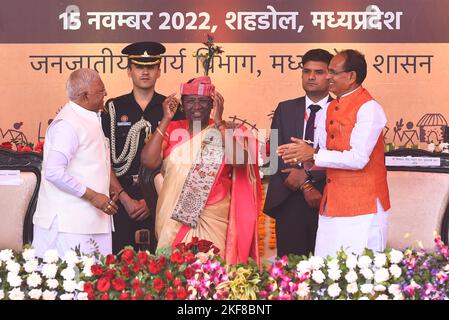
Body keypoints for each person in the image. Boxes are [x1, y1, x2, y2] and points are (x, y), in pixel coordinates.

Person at [278, 49, 390, 257]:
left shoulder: (369, 108)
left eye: (332, 72)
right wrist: (301, 153)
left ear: (351, 76)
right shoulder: (330, 108)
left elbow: (358, 159)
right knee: (326, 270)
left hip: (363, 206)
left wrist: (312, 154)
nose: (327, 77)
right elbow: (323, 152)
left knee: (359, 273)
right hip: (332, 203)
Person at [141, 76, 261, 264]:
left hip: (212, 214)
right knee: (175, 276)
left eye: (203, 101)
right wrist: (166, 119)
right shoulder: (172, 129)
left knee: (213, 274)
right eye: (190, 101)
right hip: (173, 217)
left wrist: (220, 123)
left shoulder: (223, 130)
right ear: (182, 105)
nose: (196, 106)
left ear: (213, 104)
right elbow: (149, 161)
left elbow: (240, 161)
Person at [101, 42, 184, 254]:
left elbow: (180, 159)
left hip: (161, 198)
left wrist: (152, 199)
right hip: (121, 199)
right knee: (119, 264)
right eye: (138, 66)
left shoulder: (173, 109)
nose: (145, 72)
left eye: (151, 67)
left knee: (162, 263)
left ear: (159, 71)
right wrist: (125, 199)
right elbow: (102, 159)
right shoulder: (113, 108)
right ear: (129, 71)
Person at [33, 68, 118, 258]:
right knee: (73, 284)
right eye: (101, 90)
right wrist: (93, 196)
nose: (106, 94)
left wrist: (103, 190)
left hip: (88, 223)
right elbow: (54, 172)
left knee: (95, 283)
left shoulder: (87, 117)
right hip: (69, 226)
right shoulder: (68, 124)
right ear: (85, 96)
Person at [263, 49, 333, 257]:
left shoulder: (341, 109)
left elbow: (343, 154)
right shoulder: (285, 109)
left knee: (328, 268)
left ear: (330, 76)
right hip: (290, 196)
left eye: (319, 72)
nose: (311, 77)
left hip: (328, 196)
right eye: (306, 71)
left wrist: (311, 178)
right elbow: (277, 152)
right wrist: (305, 185)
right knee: (291, 270)